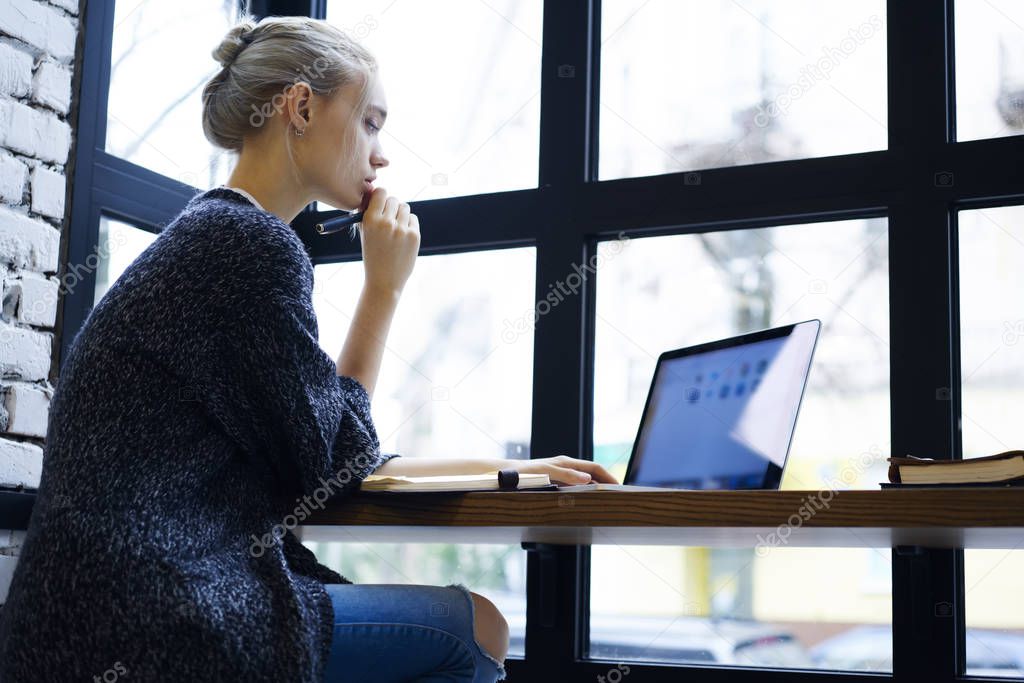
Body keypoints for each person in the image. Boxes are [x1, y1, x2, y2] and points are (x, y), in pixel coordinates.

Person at [0, 13, 618, 683]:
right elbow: (340, 458)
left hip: (78, 615)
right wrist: (383, 287)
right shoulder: (248, 246)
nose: (381, 153)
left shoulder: (209, 234)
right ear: (299, 106)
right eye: (371, 122)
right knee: (481, 627)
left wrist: (518, 467)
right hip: (156, 614)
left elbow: (324, 443)